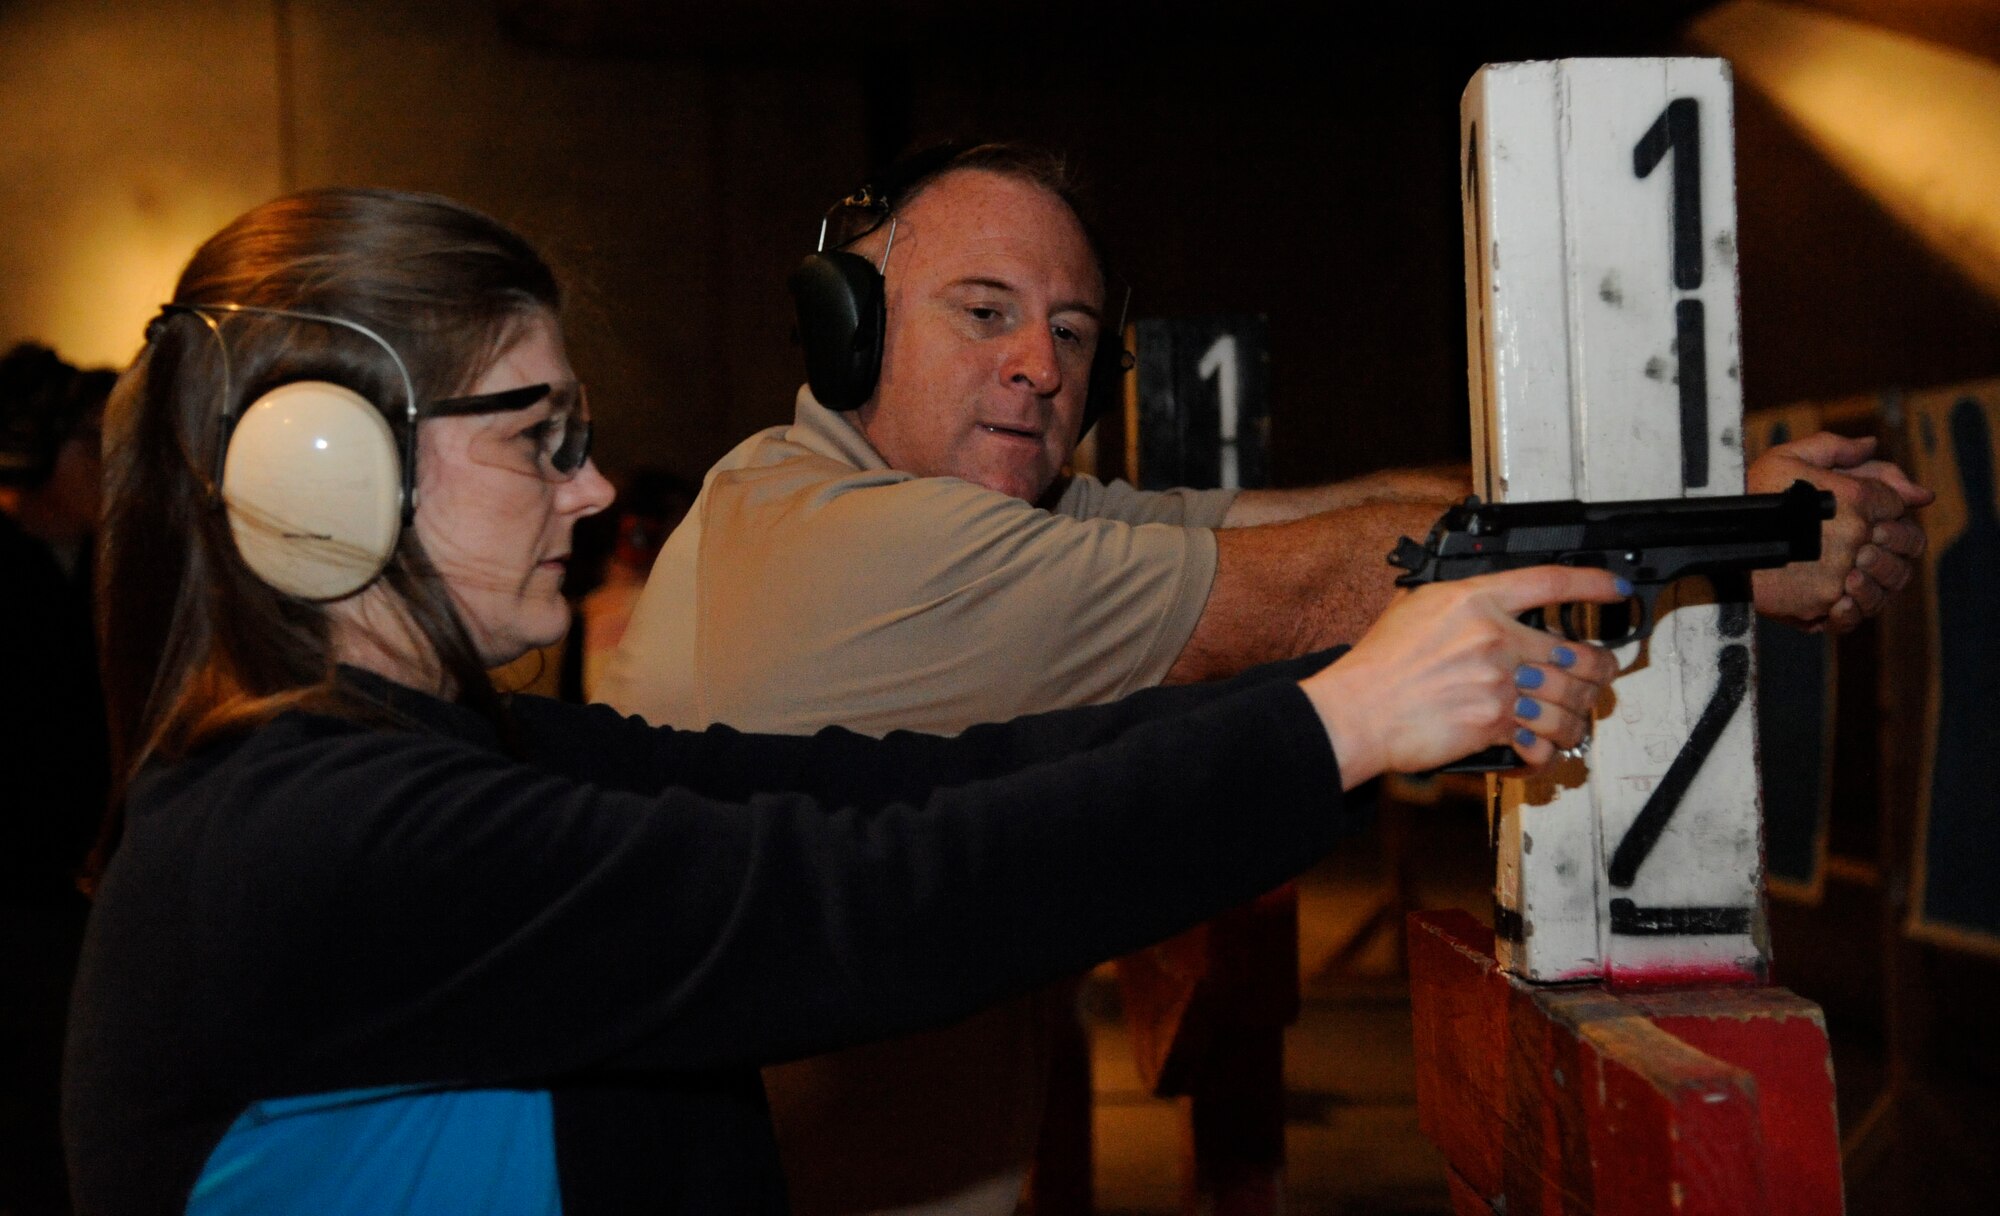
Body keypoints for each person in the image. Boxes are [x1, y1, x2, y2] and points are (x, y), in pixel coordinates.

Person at [61, 186, 1625, 1216]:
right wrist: (1344, 721)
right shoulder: (307, 837)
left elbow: (885, 794)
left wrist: (1354, 708)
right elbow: (871, 904)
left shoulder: (448, 756)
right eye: (539, 435)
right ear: (330, 470)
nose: (593, 484)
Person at [596, 142, 1934, 1216]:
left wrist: (1709, 500)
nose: (1041, 366)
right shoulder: (865, 547)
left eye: (1070, 330)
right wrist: (1736, 540)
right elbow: (1328, 582)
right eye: (984, 312)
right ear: (850, 327)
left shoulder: (859, 500)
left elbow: (1329, 510)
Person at [1, 342, 114, 1216]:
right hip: (24, 900)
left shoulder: (104, 568)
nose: (106, 463)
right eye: (87, 441)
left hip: (83, 890)